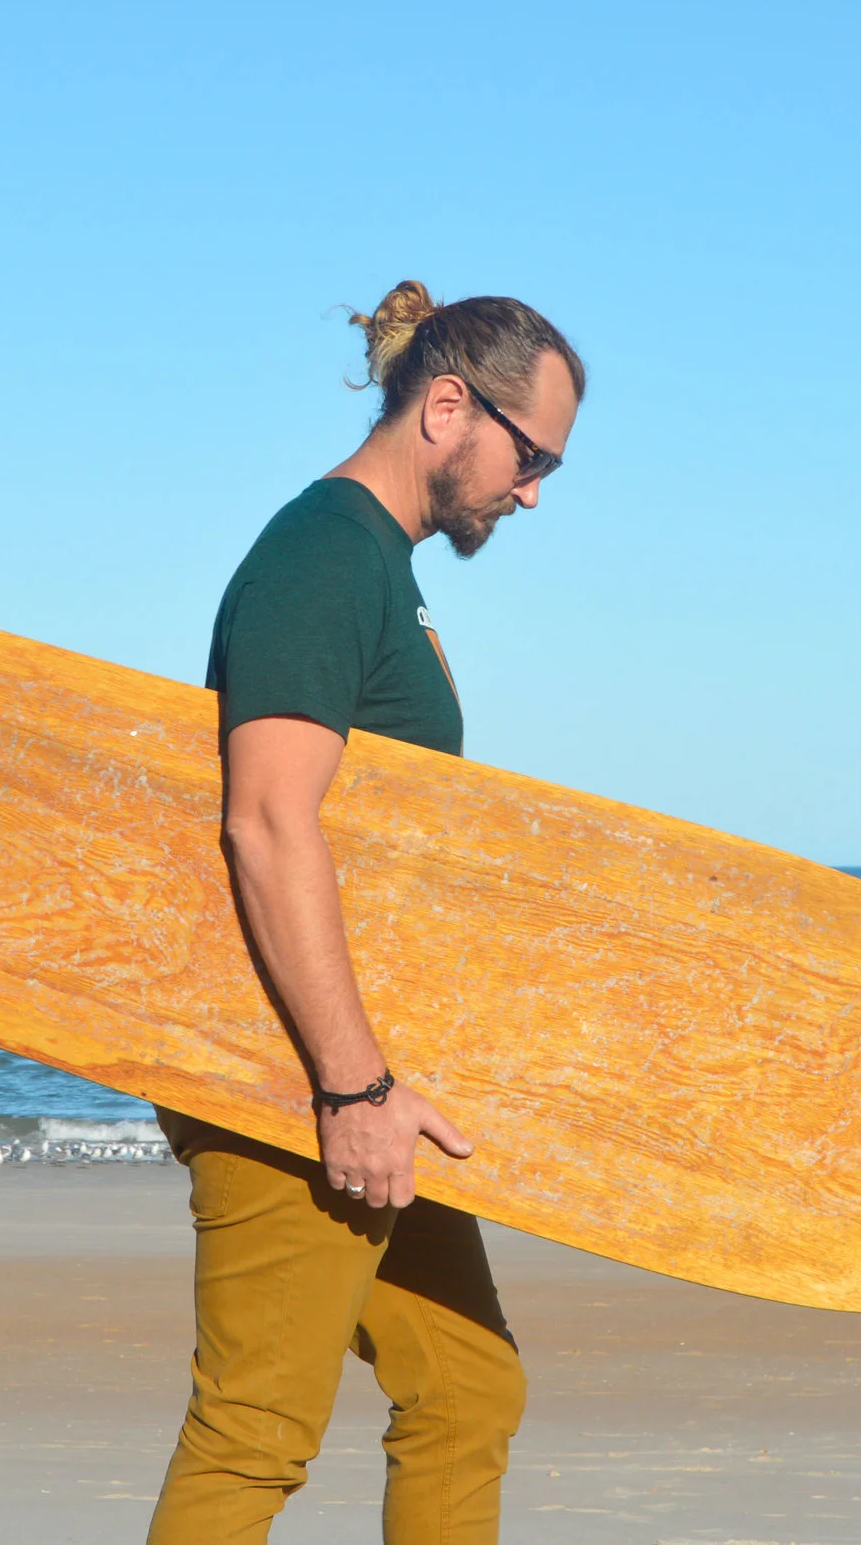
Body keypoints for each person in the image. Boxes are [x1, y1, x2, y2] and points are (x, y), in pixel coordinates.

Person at [146, 280, 586, 1544]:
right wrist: (348, 1090)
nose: (535, 490)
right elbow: (267, 819)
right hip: (290, 1079)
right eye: (532, 453)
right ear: (449, 406)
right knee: (253, 1432)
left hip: (367, 1076)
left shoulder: (377, 570)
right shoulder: (321, 555)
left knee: (463, 1387)